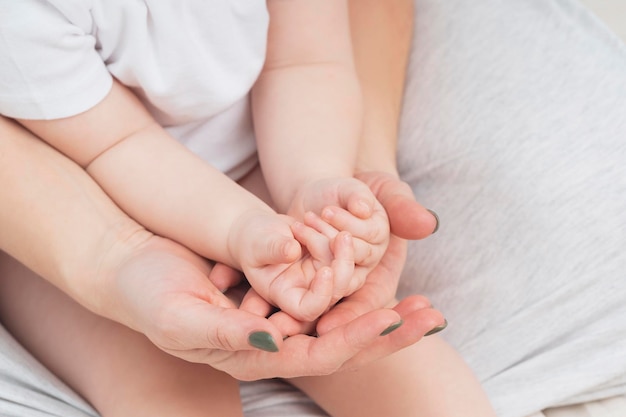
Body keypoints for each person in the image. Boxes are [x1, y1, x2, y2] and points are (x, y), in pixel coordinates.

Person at [0, 1, 496, 417]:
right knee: (168, 395)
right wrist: (240, 228)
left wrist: (312, 186)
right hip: (78, 207)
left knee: (409, 377)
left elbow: (304, 61)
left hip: (266, 155)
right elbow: (116, 145)